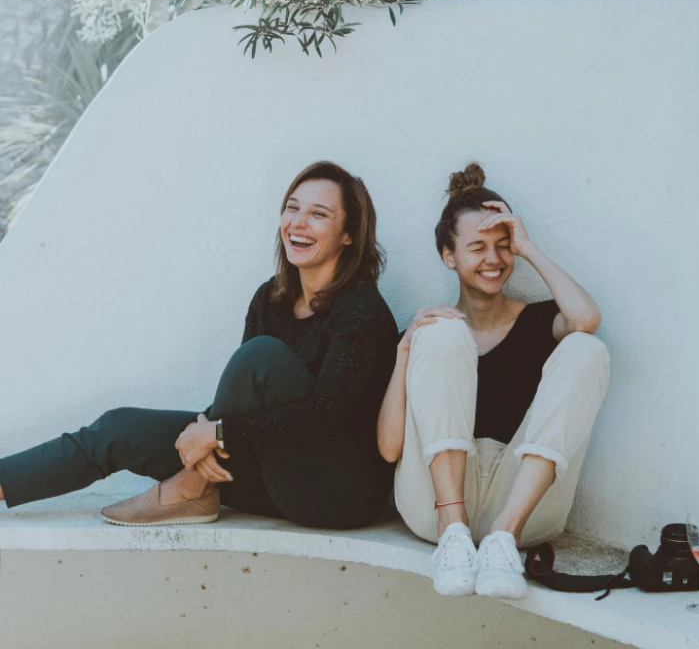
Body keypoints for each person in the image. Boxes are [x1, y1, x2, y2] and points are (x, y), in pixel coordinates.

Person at [0, 161, 398, 530]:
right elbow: (243, 398)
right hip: (264, 475)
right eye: (292, 208)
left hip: (333, 494)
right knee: (117, 428)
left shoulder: (362, 310)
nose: (298, 222)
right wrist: (208, 430)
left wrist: (218, 433)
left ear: (349, 234)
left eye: (319, 214)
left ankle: (191, 489)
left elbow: (323, 416)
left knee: (260, 356)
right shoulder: (270, 299)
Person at [377, 163, 610, 598]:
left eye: (503, 247)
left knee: (586, 347)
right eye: (477, 247)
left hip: (522, 507)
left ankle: (502, 537)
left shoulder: (539, 321)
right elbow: (389, 448)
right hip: (434, 505)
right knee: (442, 331)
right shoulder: (429, 335)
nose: (493, 259)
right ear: (449, 256)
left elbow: (587, 319)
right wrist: (404, 350)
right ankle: (454, 530)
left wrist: (529, 248)